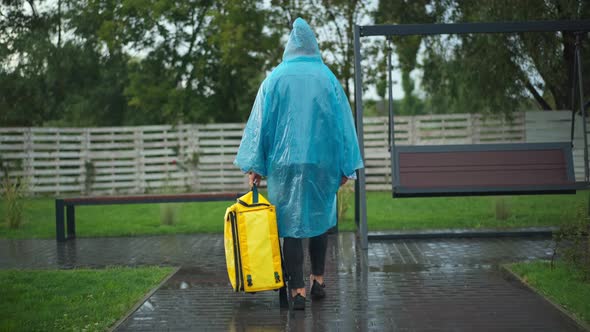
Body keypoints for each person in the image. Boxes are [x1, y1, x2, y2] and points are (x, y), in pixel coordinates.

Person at [234, 17, 363, 310]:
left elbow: (260, 124)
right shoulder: (328, 78)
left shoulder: (274, 78)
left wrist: (256, 166)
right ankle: (318, 280)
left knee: (289, 226)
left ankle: (297, 291)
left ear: (290, 45)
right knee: (319, 220)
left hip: (283, 165)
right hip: (321, 163)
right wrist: (346, 166)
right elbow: (343, 124)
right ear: (313, 44)